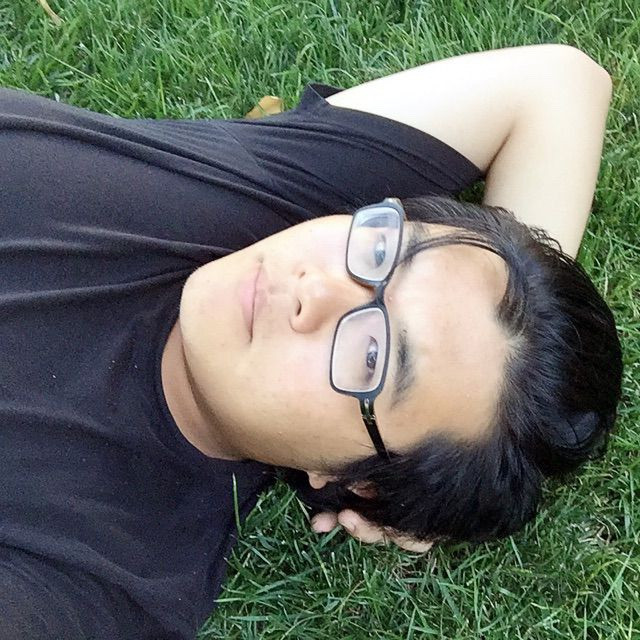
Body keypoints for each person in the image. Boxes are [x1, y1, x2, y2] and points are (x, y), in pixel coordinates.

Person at [0, 43, 621, 639]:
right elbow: (558, 85)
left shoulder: (103, 572)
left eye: (372, 357)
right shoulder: (269, 198)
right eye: (387, 252)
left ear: (360, 481)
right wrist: (534, 306)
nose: (316, 289)